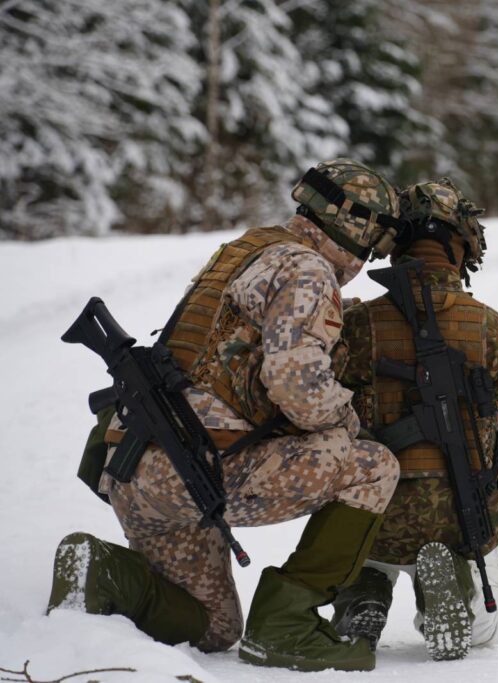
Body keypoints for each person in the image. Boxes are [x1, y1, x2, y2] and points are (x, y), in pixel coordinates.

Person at [47, 159, 405, 672]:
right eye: (375, 241)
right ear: (357, 226)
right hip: (193, 470)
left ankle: (100, 571)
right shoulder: (308, 269)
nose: (370, 256)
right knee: (373, 466)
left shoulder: (245, 248)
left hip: (134, 465)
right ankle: (288, 624)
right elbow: (296, 386)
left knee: (214, 626)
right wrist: (348, 421)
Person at [329, 178, 498, 660]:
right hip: (462, 514)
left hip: (371, 512)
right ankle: (450, 595)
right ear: (464, 246)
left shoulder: (354, 325)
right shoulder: (493, 328)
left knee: (368, 541)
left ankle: (364, 591)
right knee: (495, 628)